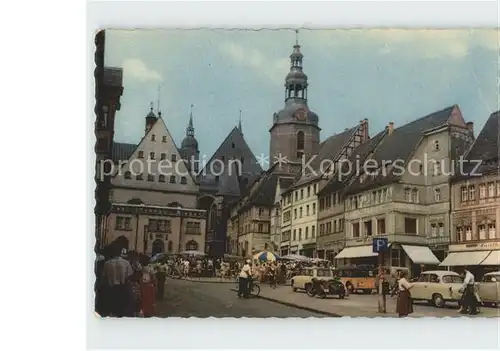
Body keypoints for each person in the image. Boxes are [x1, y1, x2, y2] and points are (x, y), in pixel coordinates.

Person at [102, 244, 134, 317]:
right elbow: (129, 277)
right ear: (120, 252)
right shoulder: (126, 263)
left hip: (111, 290)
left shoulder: (107, 263)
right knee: (122, 310)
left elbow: (104, 278)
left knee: (112, 311)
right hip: (122, 289)